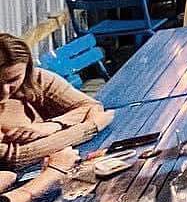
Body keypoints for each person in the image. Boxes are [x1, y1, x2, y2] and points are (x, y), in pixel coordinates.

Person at [0, 34, 113, 168]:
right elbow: (14, 157)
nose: (5, 91)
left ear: (27, 68)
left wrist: (53, 125)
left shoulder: (36, 78)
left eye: (13, 80)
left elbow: (90, 106)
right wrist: (90, 128)